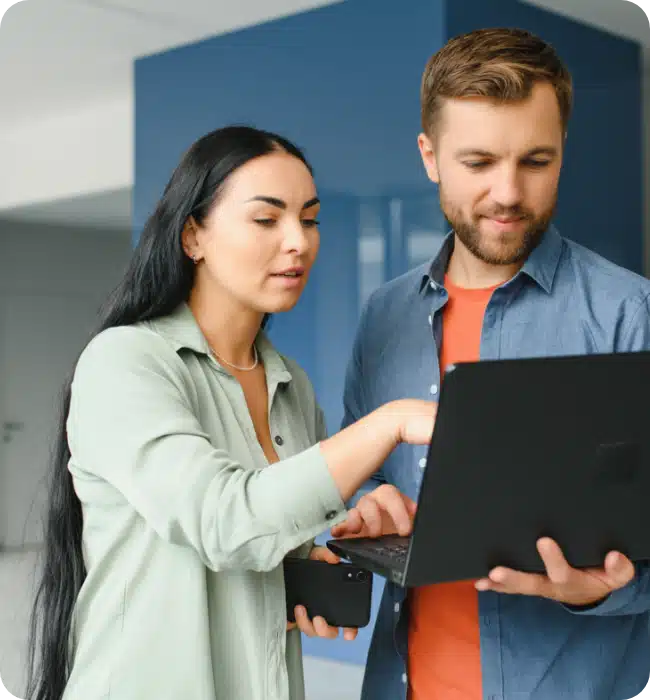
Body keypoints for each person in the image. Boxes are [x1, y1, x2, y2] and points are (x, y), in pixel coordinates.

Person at [24, 125, 436, 700]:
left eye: (309, 219)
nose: (298, 241)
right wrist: (385, 425)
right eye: (267, 220)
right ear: (193, 235)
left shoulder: (291, 386)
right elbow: (225, 521)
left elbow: (264, 542)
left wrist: (329, 547)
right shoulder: (124, 362)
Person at [333, 27, 650, 700]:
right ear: (430, 156)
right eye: (478, 162)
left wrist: (600, 593)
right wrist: (367, 508)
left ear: (564, 153)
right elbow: (358, 481)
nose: (508, 193)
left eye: (536, 161)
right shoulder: (382, 317)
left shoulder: (632, 313)